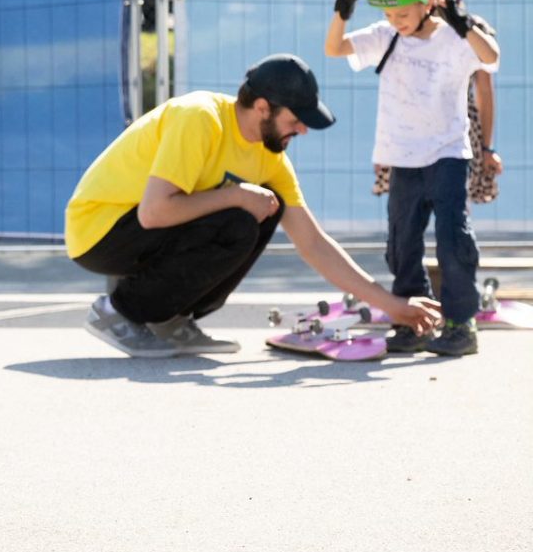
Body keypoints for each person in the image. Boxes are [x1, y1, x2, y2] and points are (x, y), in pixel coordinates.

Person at [66, 53, 441, 358]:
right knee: (239, 215)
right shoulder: (200, 118)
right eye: (295, 120)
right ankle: (116, 313)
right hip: (100, 231)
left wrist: (391, 305)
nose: (303, 131)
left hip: (144, 232)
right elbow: (154, 213)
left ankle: (170, 319)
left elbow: (312, 242)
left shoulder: (269, 157)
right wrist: (235, 194)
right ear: (263, 108)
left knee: (265, 208)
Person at [326, 0, 500, 356]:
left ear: (426, 2)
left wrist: (459, 20)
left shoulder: (456, 40)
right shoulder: (386, 36)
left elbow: (490, 59)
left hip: (447, 155)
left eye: (402, 13)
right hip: (401, 156)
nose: (395, 21)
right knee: (401, 244)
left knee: (453, 238)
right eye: (388, 14)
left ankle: (460, 324)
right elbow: (335, 48)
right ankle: (413, 320)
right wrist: (345, 5)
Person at [370, 0, 502, 204]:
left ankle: (454, 246)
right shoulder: (402, 24)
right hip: (409, 134)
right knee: (406, 212)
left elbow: (485, 93)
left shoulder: (472, 29)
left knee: (453, 209)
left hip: (455, 129)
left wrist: (487, 147)